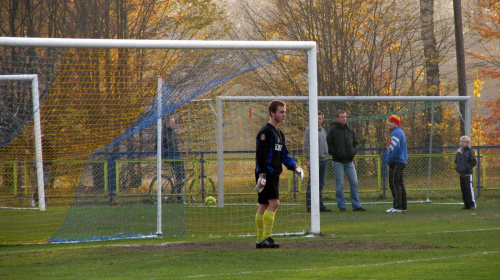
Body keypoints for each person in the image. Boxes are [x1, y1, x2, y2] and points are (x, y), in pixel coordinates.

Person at [254, 100, 304, 249]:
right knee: (274, 203)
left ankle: (259, 240)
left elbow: (284, 154)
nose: (284, 115)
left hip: (273, 173)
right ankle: (266, 238)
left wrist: (294, 166)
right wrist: (262, 175)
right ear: (272, 113)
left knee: (264, 205)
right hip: (266, 173)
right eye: (281, 112)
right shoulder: (265, 132)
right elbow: (261, 155)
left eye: (285, 112)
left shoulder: (279, 133)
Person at [326, 111, 366, 212]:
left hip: (349, 161)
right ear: (337, 118)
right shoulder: (333, 129)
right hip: (338, 161)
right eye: (342, 117)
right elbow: (328, 144)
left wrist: (353, 151)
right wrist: (335, 153)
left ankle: (356, 205)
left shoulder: (350, 129)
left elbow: (355, 142)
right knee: (340, 184)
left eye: (345, 117)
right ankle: (342, 206)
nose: (344, 119)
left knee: (354, 182)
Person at [304, 111, 331, 212]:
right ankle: (309, 205)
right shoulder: (309, 129)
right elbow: (306, 145)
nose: (318, 120)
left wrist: (326, 154)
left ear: (322, 119)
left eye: (320, 118)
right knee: (312, 183)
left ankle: (319, 204)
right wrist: (308, 159)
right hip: (314, 161)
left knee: (321, 184)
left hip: (323, 159)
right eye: (317, 118)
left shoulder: (323, 130)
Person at [385, 115, 408, 213]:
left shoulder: (396, 133)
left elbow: (394, 148)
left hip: (396, 161)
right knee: (399, 183)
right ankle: (403, 206)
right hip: (401, 161)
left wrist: (389, 159)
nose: (389, 123)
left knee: (394, 184)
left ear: (396, 123)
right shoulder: (398, 132)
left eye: (391, 122)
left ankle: (397, 206)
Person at [161, 117, 185, 202]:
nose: (174, 124)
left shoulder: (173, 133)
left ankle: (178, 188)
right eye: (172, 122)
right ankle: (177, 193)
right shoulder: (162, 133)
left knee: (180, 175)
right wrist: (168, 153)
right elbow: (159, 147)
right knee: (179, 172)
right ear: (167, 123)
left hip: (175, 156)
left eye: (174, 122)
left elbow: (175, 147)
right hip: (168, 156)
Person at [455, 136, 477, 210]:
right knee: (463, 189)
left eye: (464, 142)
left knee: (469, 189)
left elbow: (473, 162)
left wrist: (466, 167)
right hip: (461, 174)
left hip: (467, 173)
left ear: (467, 143)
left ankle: (472, 204)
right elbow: (456, 161)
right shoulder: (459, 152)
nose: (462, 143)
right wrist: (457, 168)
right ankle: (466, 204)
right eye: (461, 141)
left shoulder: (470, 151)